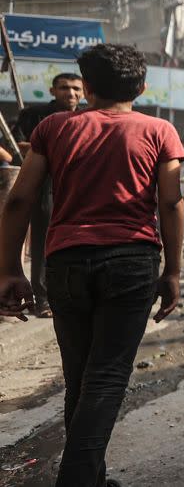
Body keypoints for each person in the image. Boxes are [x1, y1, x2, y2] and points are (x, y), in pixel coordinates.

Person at [0, 44, 184, 487]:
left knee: (81, 377)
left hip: (65, 261)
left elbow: (20, 198)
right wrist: (173, 271)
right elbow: (171, 202)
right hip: (131, 260)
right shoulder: (160, 131)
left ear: (87, 85)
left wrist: (8, 268)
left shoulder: (53, 128)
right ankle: (78, 479)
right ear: (141, 87)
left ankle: (91, 478)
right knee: (105, 378)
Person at [11, 72, 84, 318]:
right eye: (64, 88)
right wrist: (49, 147)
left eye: (76, 88)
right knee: (43, 242)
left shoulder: (88, 117)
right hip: (44, 185)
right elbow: (13, 144)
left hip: (78, 187)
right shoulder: (33, 115)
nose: (71, 93)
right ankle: (42, 299)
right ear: (53, 91)